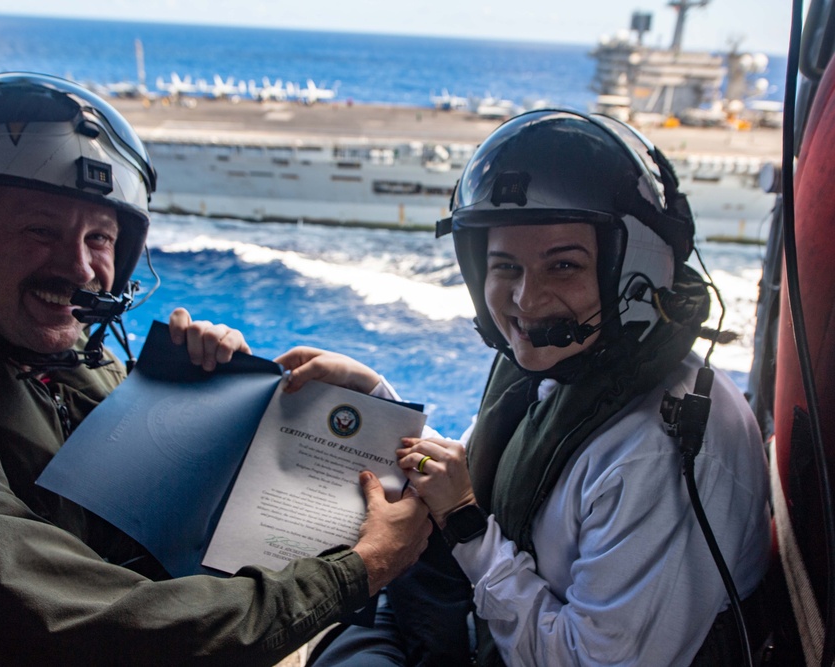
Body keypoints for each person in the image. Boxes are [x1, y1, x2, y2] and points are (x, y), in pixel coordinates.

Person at [0, 72, 431, 665]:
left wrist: (209, 396)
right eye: (40, 230)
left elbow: (140, 523)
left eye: (100, 239)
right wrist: (359, 571)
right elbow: (104, 634)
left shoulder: (42, 362)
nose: (80, 268)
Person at [287, 110, 772, 666]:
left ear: (635, 267)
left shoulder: (655, 452)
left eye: (563, 265)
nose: (524, 299)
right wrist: (377, 402)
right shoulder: (563, 367)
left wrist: (467, 525)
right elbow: (476, 473)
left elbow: (588, 661)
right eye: (504, 266)